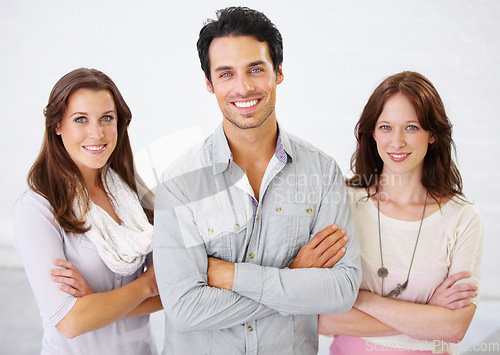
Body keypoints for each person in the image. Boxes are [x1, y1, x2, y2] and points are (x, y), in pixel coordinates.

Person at [153, 6, 361, 355]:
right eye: (226, 74)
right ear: (209, 84)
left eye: (255, 69)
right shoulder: (180, 183)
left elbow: (341, 289)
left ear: (278, 72)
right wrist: (294, 275)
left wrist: (234, 277)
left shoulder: (321, 172)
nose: (243, 87)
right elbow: (184, 309)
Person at [318, 71, 483, 354]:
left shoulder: (462, 219)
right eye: (385, 127)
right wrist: (428, 314)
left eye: (411, 127)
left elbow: (453, 328)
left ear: (432, 135)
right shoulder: (341, 202)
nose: (396, 142)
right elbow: (322, 318)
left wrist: (359, 299)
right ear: (372, 133)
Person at [14, 68, 162, 355]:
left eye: (107, 118)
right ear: (57, 125)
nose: (97, 133)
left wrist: (97, 301)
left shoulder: (135, 194)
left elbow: (173, 290)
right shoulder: (38, 210)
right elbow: (70, 320)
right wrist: (146, 285)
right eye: (81, 119)